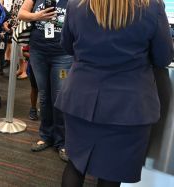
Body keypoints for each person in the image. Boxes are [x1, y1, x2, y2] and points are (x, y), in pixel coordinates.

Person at [55, 0, 173, 186]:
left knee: (76, 164)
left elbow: (68, 46)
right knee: (112, 172)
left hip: (80, 100)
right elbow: (163, 57)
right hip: (128, 107)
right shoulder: (152, 6)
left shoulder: (76, 4)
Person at [19, 0, 72, 161]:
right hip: (38, 53)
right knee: (44, 96)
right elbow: (22, 14)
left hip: (63, 55)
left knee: (59, 97)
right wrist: (37, 16)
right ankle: (46, 135)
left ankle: (62, 141)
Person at [22, 45, 38, 120]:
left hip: (54, 63)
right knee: (34, 87)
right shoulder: (33, 33)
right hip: (35, 63)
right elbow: (24, 52)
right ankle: (33, 108)